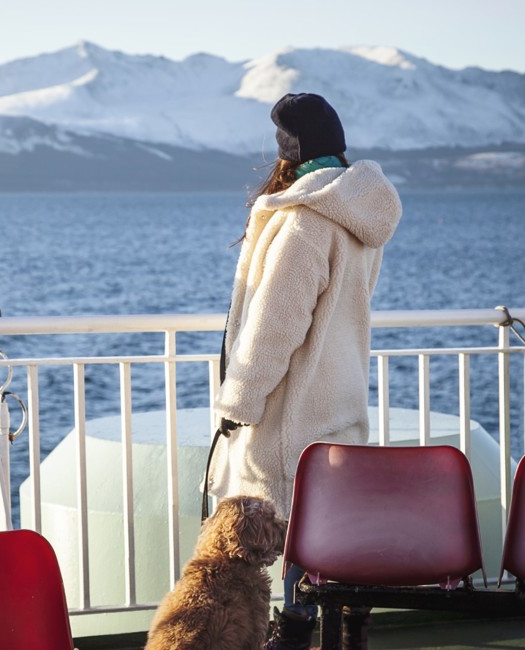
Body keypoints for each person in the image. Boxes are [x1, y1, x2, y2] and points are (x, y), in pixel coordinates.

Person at [206, 93, 402, 650]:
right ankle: (346, 631)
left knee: (285, 529)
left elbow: (275, 326)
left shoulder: (305, 224)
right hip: (337, 399)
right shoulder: (358, 211)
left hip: (290, 411)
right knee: (327, 531)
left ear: (289, 150)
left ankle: (289, 634)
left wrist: (237, 403)